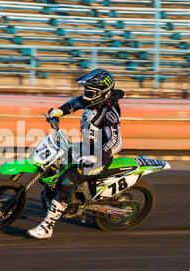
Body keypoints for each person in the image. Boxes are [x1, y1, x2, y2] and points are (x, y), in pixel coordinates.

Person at [27, 69, 125, 239]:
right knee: (55, 162)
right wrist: (59, 111)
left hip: (99, 158)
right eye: (86, 89)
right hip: (86, 148)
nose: (85, 94)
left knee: (67, 180)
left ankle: (47, 227)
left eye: (90, 90)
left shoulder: (109, 113)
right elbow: (74, 103)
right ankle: (62, 197)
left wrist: (96, 156)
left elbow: (116, 143)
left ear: (101, 92)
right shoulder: (92, 101)